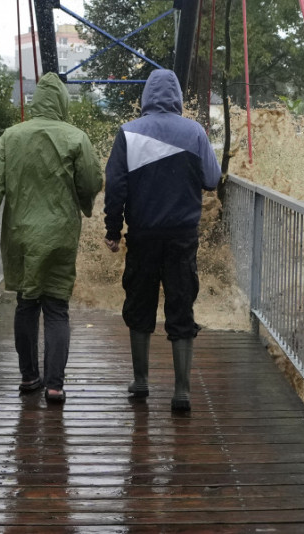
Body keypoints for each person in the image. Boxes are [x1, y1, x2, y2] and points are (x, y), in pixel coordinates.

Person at [0, 72, 103, 403]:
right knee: (56, 307)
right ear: (61, 102)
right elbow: (91, 182)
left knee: (27, 303)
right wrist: (80, 200)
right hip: (60, 234)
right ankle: (55, 384)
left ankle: (30, 377)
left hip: (21, 236)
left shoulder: (10, 137)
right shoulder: (76, 137)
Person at [103, 68, 221, 412]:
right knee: (181, 305)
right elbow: (212, 179)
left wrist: (113, 231)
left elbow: (116, 189)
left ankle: (141, 382)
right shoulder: (195, 132)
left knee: (139, 305)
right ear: (178, 98)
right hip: (182, 236)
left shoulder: (128, 133)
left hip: (142, 235)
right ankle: (181, 390)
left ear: (146, 97)